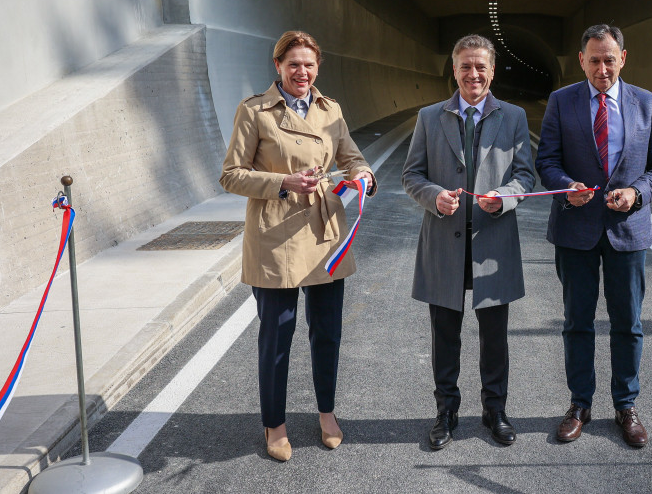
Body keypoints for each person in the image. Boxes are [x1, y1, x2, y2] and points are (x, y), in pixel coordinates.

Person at [219, 31, 375, 460]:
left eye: (308, 64)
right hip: (275, 235)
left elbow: (353, 157)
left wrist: (362, 176)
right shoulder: (254, 111)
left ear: (318, 67)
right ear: (278, 67)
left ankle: (327, 413)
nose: (301, 72)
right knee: (277, 336)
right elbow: (231, 174)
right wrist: (283, 182)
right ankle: (275, 425)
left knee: (327, 333)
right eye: (293, 64)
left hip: (325, 235)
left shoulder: (331, 110)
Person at [535, 23, 652, 448]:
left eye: (609, 59)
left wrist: (636, 193)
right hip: (574, 231)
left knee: (627, 324)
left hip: (627, 232)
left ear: (623, 59)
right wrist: (566, 186)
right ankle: (579, 404)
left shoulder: (647, 104)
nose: (602, 68)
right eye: (594, 60)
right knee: (577, 322)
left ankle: (626, 405)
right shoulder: (562, 101)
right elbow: (547, 160)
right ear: (581, 60)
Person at [402, 34, 535, 450]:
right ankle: (446, 411)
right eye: (465, 66)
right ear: (454, 70)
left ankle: (495, 410)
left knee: (494, 336)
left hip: (492, 244)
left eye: (481, 67)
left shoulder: (513, 117)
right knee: (445, 335)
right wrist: (433, 198)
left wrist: (506, 197)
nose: (473, 74)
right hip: (444, 240)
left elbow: (526, 176)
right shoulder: (429, 117)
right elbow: (411, 175)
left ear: (492, 71)